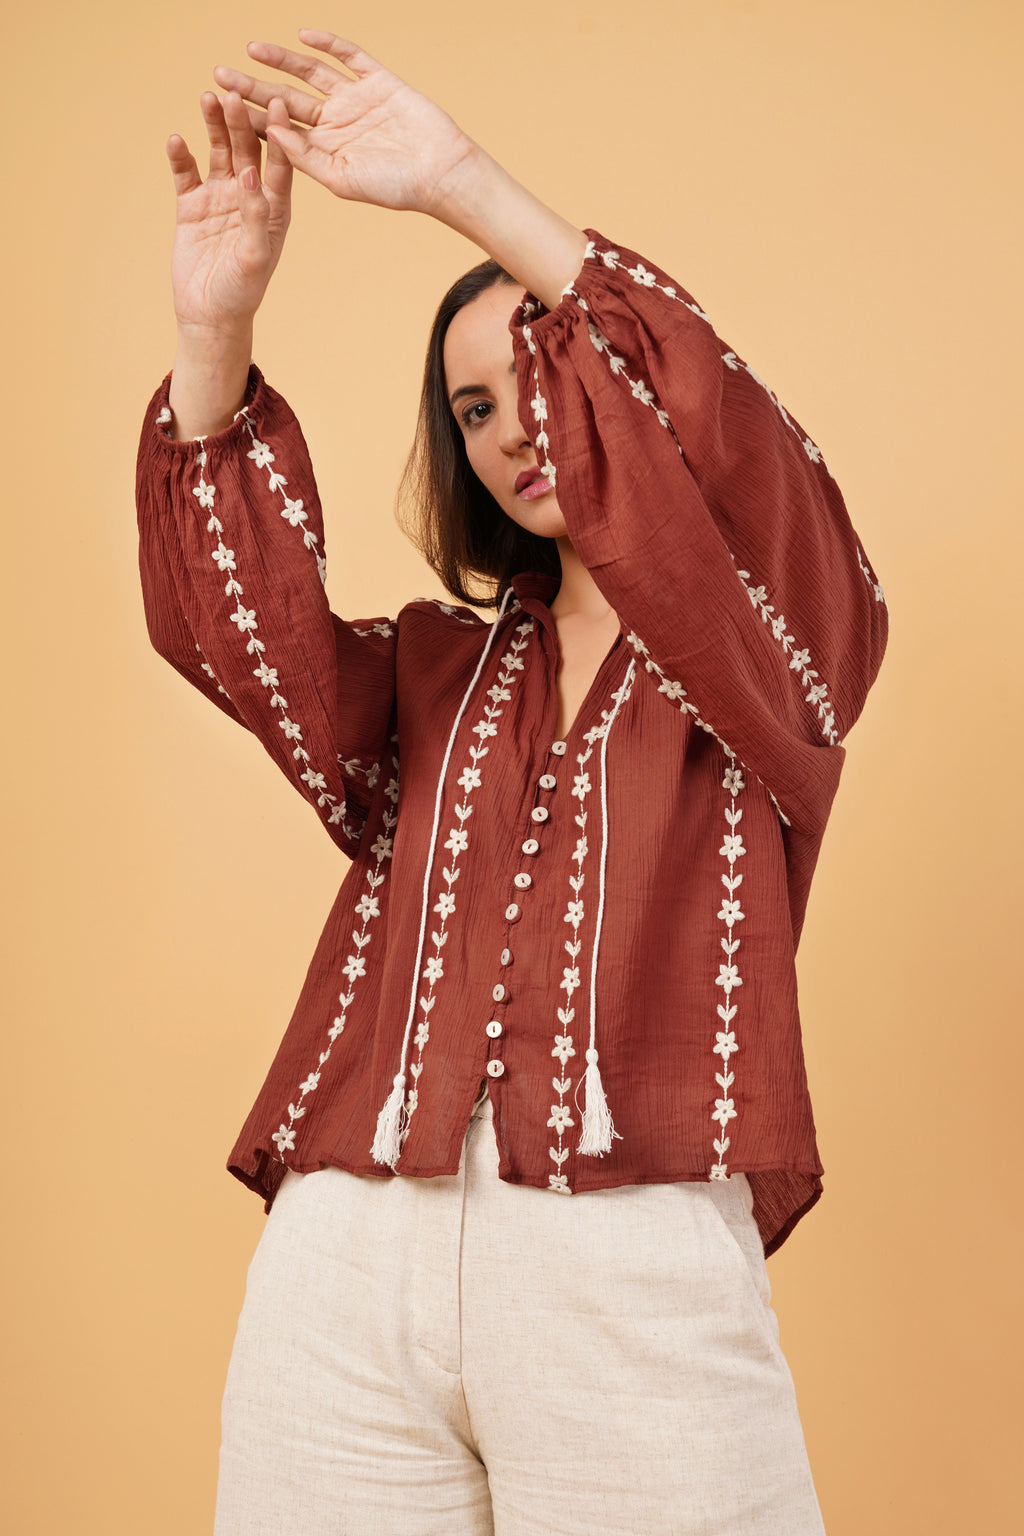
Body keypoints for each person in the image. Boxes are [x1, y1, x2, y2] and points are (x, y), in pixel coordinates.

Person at [136, 29, 888, 1536]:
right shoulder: (435, 671)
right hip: (346, 1254)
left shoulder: (764, 658)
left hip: (629, 1252)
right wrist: (211, 332)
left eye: (544, 367)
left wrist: (462, 188)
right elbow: (241, 641)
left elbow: (748, 467)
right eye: (473, 407)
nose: (511, 425)